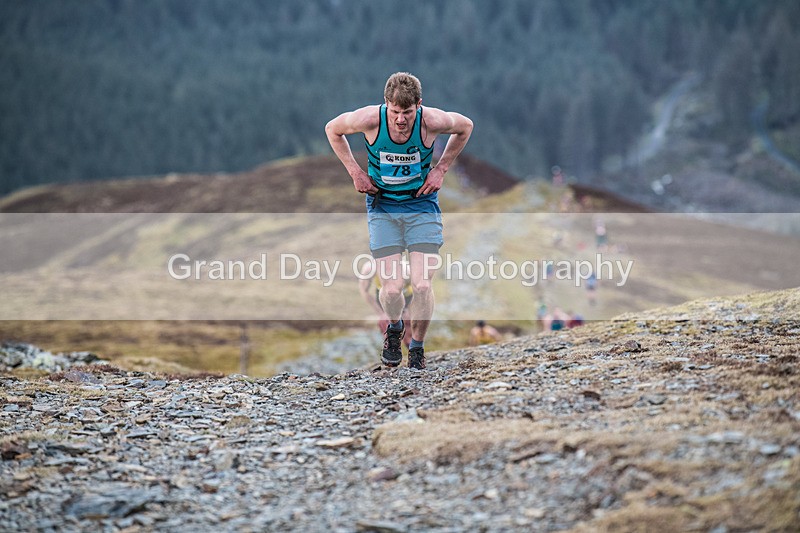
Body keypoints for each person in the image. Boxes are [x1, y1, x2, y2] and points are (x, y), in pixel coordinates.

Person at [326, 72, 473, 369]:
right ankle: (394, 329)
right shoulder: (369, 119)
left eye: (407, 112)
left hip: (421, 206)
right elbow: (332, 129)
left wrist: (441, 169)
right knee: (392, 289)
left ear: (419, 105)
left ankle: (417, 347)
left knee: (421, 285)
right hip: (383, 208)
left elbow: (466, 126)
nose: (401, 120)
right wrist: (355, 172)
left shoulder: (431, 121)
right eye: (395, 112)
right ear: (386, 105)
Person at [358, 259, 413, 349]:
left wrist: (410, 312)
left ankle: (413, 355)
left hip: (407, 297)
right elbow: (364, 291)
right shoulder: (370, 268)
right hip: (384, 300)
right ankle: (391, 354)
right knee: (388, 332)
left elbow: (420, 293)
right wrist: (381, 314)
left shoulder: (407, 270)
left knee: (409, 335)